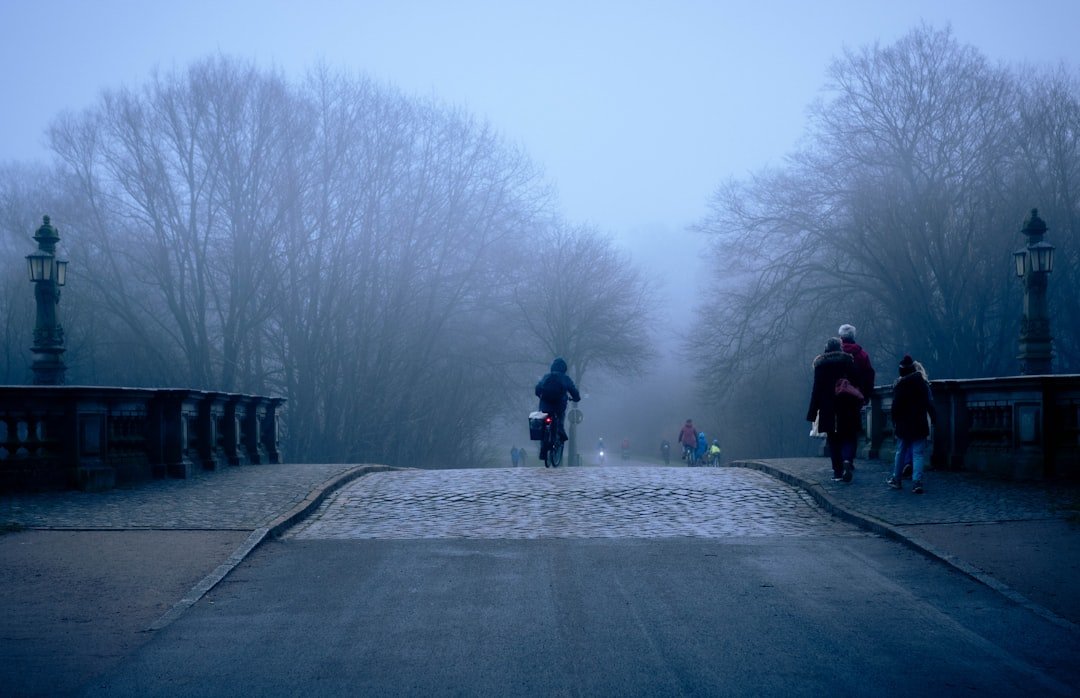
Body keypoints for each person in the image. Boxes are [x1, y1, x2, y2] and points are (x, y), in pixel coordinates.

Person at [807, 337, 861, 482]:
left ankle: (837, 472)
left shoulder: (821, 365)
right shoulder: (848, 361)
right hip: (847, 405)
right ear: (840, 348)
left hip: (828, 407)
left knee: (833, 440)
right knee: (849, 436)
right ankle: (847, 460)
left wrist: (812, 412)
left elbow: (816, 390)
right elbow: (856, 381)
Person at [887, 354, 937, 494]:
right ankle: (917, 482)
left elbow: (895, 406)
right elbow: (929, 403)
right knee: (918, 453)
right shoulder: (921, 383)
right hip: (919, 422)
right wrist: (934, 418)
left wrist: (894, 421)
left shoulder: (900, 385)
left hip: (903, 423)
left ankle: (897, 479)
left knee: (901, 451)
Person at [534, 357, 581, 459]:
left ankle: (543, 449)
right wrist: (576, 398)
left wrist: (541, 396)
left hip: (544, 405)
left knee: (542, 424)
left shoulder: (546, 376)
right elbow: (573, 391)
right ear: (564, 368)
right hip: (559, 406)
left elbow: (537, 388)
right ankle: (560, 432)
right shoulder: (565, 378)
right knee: (559, 419)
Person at [838, 324, 875, 406]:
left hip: (838, 395)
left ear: (841, 337)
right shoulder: (862, 354)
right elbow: (869, 375)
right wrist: (866, 395)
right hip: (856, 395)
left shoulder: (836, 354)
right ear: (853, 337)